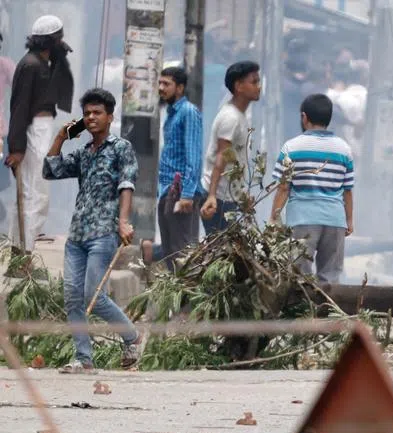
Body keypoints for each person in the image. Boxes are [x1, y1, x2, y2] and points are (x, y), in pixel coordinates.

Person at [42, 88, 140, 373]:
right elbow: (51, 170)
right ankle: (83, 359)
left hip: (103, 233)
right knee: (72, 296)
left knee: (93, 297)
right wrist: (61, 137)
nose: (91, 118)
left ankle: (132, 336)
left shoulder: (120, 148)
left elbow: (127, 185)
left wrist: (122, 222)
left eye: (97, 113)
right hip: (77, 235)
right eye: (87, 114)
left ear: (110, 116)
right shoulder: (84, 153)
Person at [270, 93, 354, 286]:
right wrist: (349, 219)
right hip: (335, 220)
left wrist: (274, 217)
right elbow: (347, 190)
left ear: (304, 117)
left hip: (302, 220)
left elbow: (283, 188)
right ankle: (329, 312)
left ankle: (304, 314)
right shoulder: (344, 149)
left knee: (300, 278)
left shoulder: (291, 147)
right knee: (330, 277)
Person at [6, 15, 74, 252]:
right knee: (37, 193)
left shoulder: (41, 62)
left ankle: (19, 248)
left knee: (28, 192)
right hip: (35, 130)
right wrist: (16, 147)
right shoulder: (32, 65)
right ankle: (24, 251)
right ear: (52, 40)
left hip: (40, 129)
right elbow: (19, 106)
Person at [141, 66, 203, 267]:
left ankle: (185, 296)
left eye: (166, 84)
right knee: (170, 250)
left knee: (182, 251)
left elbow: (193, 156)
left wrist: (187, 194)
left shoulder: (188, 112)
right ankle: (174, 294)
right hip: (167, 189)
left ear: (180, 88)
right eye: (160, 83)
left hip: (180, 192)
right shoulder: (171, 112)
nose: (161, 88)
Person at [201, 60, 261, 236]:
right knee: (221, 254)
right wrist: (212, 196)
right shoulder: (231, 118)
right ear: (239, 86)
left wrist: (241, 196)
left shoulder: (240, 115)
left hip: (228, 197)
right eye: (254, 82)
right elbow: (221, 157)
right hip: (219, 198)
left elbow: (236, 161)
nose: (258, 87)